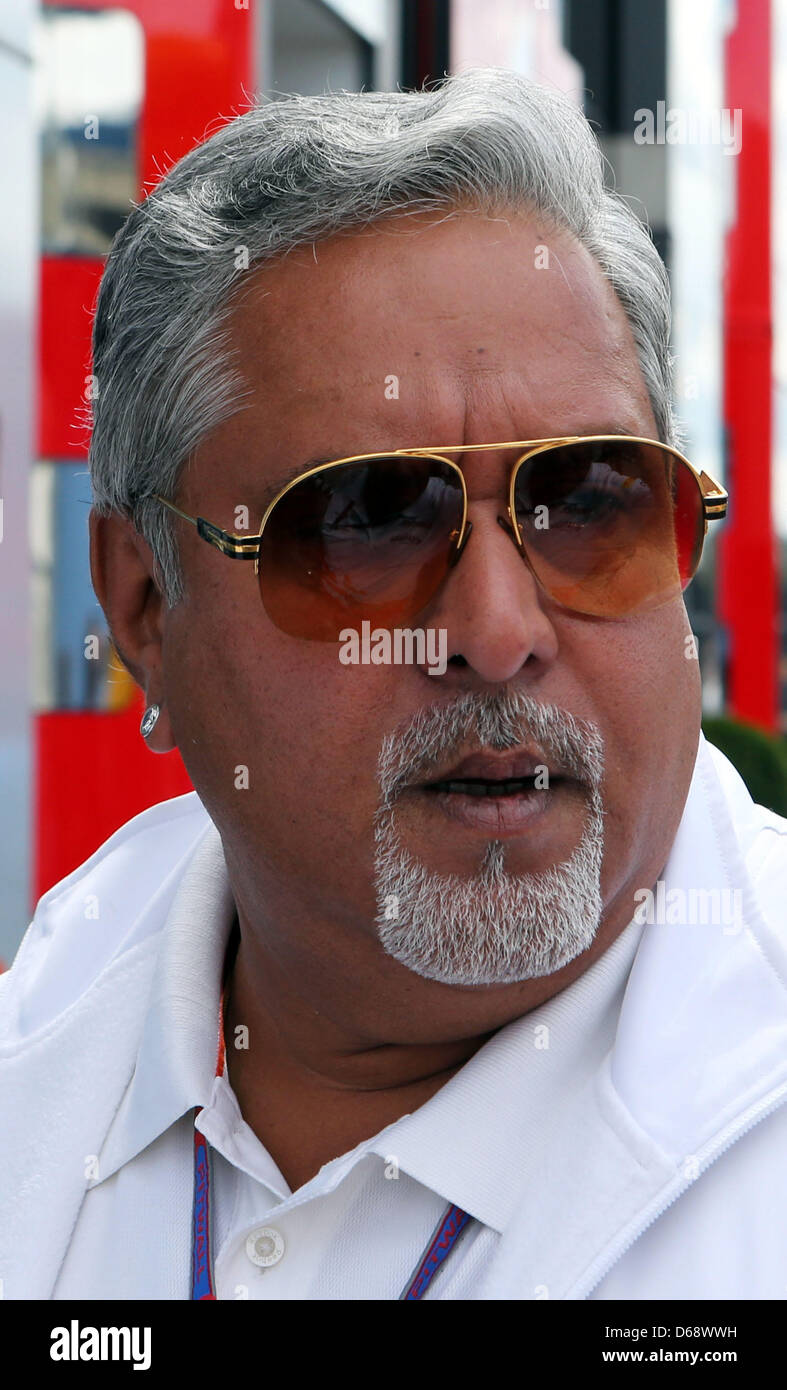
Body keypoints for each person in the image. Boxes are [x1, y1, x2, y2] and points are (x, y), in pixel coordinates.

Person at [2, 68, 786, 1302]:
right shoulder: (40, 1046)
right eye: (367, 518)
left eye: (587, 500)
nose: (494, 629)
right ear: (145, 605)